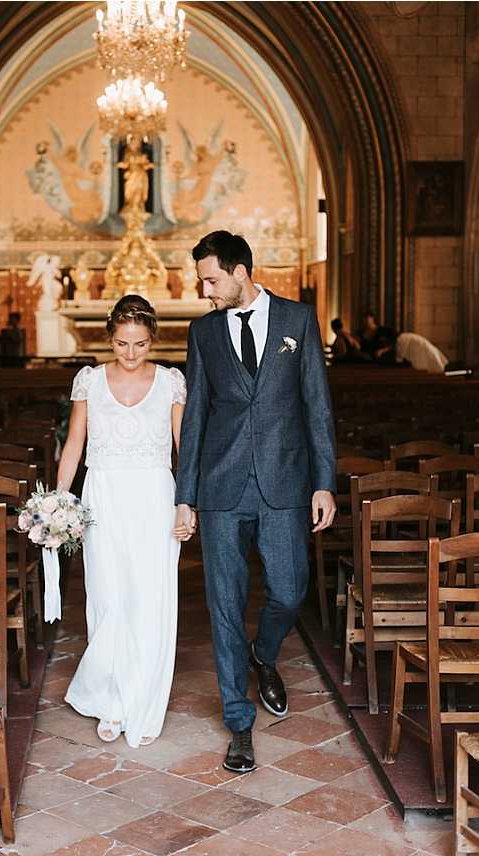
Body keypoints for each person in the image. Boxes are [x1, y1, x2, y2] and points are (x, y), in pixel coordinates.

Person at [175, 231, 336, 773]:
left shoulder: (298, 321)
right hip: (221, 489)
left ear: (241, 271)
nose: (206, 290)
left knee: (290, 592)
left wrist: (324, 482)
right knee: (223, 606)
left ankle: (264, 654)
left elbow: (317, 406)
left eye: (212, 279)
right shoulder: (202, 333)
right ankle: (239, 725)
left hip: (285, 483)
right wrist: (185, 496)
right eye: (203, 280)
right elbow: (194, 416)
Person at [56, 294, 189, 748]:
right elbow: (74, 444)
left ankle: (142, 700)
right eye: (121, 344)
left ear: (153, 339)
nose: (130, 354)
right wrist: (60, 500)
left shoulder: (171, 382)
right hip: (104, 496)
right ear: (109, 339)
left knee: (150, 599)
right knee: (108, 597)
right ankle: (110, 701)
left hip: (154, 497)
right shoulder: (89, 381)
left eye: (139, 344)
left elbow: (182, 449)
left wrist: (186, 503)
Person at [118, 136, 154, 213]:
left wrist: (153, 165)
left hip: (141, 175)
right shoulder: (127, 154)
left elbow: (145, 166)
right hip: (131, 176)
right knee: (129, 192)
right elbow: (125, 164)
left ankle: (138, 208)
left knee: (139, 192)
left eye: (137, 142)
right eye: (133, 142)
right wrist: (115, 164)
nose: (135, 144)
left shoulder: (141, 154)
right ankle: (130, 207)